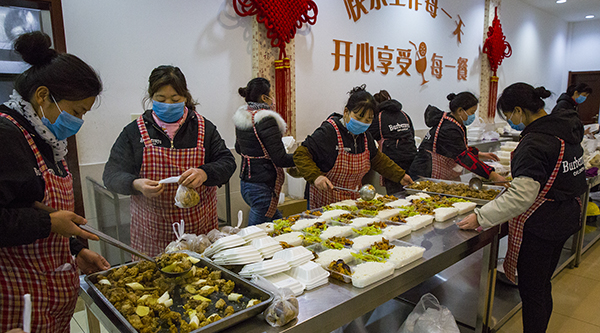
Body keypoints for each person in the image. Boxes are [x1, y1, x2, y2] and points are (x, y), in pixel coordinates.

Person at [457, 83, 587, 333]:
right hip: (565, 216)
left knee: (533, 288)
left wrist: (481, 217)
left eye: (508, 115)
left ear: (518, 110)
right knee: (541, 285)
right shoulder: (566, 128)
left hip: (543, 223)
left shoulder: (536, 142)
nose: (511, 122)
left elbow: (522, 195)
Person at [0, 31, 109, 333]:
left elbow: (29, 202)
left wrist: (76, 250)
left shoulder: (45, 137)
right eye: (77, 111)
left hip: (51, 297)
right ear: (43, 95)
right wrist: (48, 222)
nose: (78, 121)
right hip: (17, 301)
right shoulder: (6, 135)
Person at [103, 65, 236, 257]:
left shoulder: (203, 128)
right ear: (151, 97)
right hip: (153, 232)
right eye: (160, 99)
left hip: (198, 232)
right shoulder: (134, 132)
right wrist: (135, 184)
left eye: (175, 99)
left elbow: (227, 161)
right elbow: (111, 175)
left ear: (185, 97)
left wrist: (204, 173)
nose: (168, 104)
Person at [293, 85, 413, 209]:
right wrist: (315, 177)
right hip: (324, 201)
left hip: (351, 201)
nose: (363, 123)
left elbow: (378, 160)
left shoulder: (366, 137)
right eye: (359, 117)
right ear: (346, 112)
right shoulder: (328, 132)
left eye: (368, 119)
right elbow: (300, 154)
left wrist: (400, 176)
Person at [233, 77, 295, 225]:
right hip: (262, 186)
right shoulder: (266, 120)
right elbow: (280, 159)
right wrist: (304, 156)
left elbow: (238, 148)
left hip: (246, 184)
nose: (272, 98)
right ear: (264, 97)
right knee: (255, 234)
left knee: (280, 225)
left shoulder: (243, 116)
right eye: (271, 93)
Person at [409, 92, 504, 182]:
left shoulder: (454, 123)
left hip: (432, 172)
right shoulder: (449, 129)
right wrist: (491, 174)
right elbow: (463, 157)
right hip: (424, 173)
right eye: (471, 112)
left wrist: (480, 154)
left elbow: (458, 148)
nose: (473, 116)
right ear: (460, 111)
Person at [368, 90, 417, 195]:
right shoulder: (404, 115)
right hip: (412, 160)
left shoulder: (378, 118)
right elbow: (411, 135)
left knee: (396, 197)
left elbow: (369, 140)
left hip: (392, 163)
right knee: (411, 194)